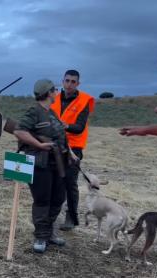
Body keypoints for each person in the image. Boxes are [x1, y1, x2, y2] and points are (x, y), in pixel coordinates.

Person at [13, 79, 75, 253]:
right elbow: (19, 131)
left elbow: (59, 136)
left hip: (58, 163)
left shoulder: (52, 113)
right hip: (41, 164)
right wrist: (38, 145)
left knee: (58, 199)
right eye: (55, 89)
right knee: (42, 201)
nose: (57, 92)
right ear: (48, 93)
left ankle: (48, 233)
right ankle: (41, 236)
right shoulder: (35, 111)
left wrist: (70, 152)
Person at [50, 70, 95, 231]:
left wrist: (66, 126)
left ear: (78, 84)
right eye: (67, 81)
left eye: (73, 82)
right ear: (62, 81)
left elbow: (80, 127)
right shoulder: (53, 97)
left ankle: (72, 217)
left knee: (70, 183)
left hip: (73, 148)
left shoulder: (84, 101)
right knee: (54, 181)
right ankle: (51, 215)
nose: (69, 84)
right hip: (53, 144)